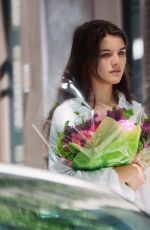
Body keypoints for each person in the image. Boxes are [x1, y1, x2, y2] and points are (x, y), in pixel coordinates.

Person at [45, 20, 146, 204]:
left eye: (121, 53)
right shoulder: (68, 115)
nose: (117, 61)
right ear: (87, 59)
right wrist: (120, 173)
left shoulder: (134, 111)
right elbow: (62, 181)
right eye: (106, 54)